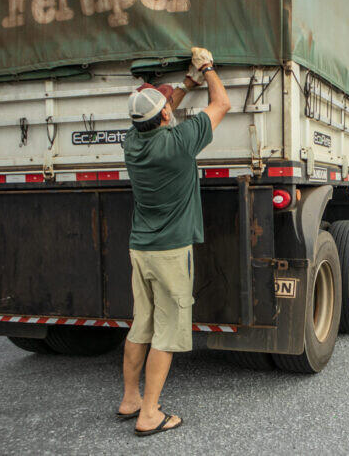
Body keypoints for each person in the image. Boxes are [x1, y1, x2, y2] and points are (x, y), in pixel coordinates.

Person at [116, 47, 231, 437]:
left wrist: (186, 83)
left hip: (140, 249)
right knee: (166, 333)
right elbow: (223, 103)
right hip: (170, 252)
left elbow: (158, 110)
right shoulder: (180, 142)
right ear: (165, 116)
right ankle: (149, 414)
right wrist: (208, 68)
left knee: (140, 327)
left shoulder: (132, 143)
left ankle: (130, 398)